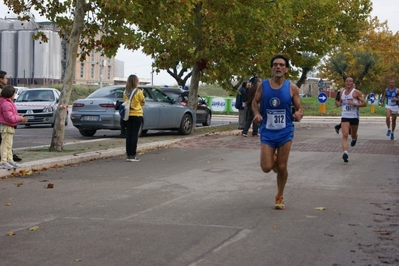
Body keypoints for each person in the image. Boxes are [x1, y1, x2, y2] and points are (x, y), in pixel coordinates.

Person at [252, 55, 303, 210]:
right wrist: (256, 113)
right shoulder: (263, 85)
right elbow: (255, 102)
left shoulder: (292, 88)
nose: (278, 67)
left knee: (282, 166)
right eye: (275, 65)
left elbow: (300, 108)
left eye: (281, 65)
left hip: (285, 131)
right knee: (266, 167)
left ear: (286, 69)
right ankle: (273, 159)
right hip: (267, 131)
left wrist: (299, 114)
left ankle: (279, 196)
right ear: (272, 68)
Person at [335, 77, 366, 163]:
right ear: (345, 83)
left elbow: (364, 103)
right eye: (347, 81)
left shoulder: (356, 92)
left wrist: (355, 104)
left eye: (350, 81)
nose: (348, 83)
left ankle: (354, 138)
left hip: (354, 116)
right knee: (345, 134)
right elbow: (340, 102)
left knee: (353, 134)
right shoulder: (342, 93)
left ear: (352, 83)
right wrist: (338, 104)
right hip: (345, 116)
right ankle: (345, 152)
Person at [0, 85, 28, 169]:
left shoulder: (8, 103)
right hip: (6, 127)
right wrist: (20, 118)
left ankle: (10, 160)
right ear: (11, 94)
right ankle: (3, 161)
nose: (15, 95)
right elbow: (9, 117)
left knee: (9, 145)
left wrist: (18, 117)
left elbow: (11, 116)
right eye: (14, 93)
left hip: (9, 127)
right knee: (5, 144)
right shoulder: (6, 104)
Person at [0, 70, 22, 162]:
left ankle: (10, 158)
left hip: (7, 123)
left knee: (7, 142)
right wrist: (19, 118)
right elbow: (8, 115)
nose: (7, 79)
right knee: (5, 142)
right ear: (0, 79)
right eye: (5, 78)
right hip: (4, 123)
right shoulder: (3, 96)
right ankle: (4, 160)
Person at [124, 74, 145, 162]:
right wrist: (143, 94)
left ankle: (128, 154)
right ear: (136, 82)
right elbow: (143, 103)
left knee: (128, 135)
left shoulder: (125, 92)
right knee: (134, 135)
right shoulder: (139, 92)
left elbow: (125, 102)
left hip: (128, 115)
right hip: (137, 114)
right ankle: (133, 155)